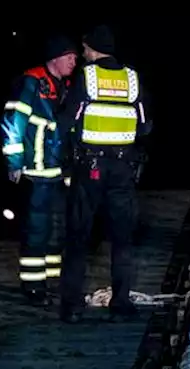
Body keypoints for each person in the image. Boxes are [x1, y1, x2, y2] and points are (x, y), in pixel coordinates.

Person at [57, 24, 153, 323]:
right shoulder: (133, 78)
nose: (82, 53)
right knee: (122, 240)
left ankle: (72, 307)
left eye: (84, 48)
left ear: (93, 48)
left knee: (78, 237)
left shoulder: (87, 76)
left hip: (91, 167)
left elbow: (65, 121)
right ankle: (121, 303)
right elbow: (146, 125)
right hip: (123, 169)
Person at [0, 36, 78, 306]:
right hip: (36, 172)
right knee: (37, 231)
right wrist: (15, 161)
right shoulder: (31, 81)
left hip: (58, 172)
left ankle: (52, 284)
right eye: (69, 56)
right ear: (55, 57)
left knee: (58, 231)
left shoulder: (66, 85)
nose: (74, 61)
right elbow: (13, 121)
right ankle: (33, 288)